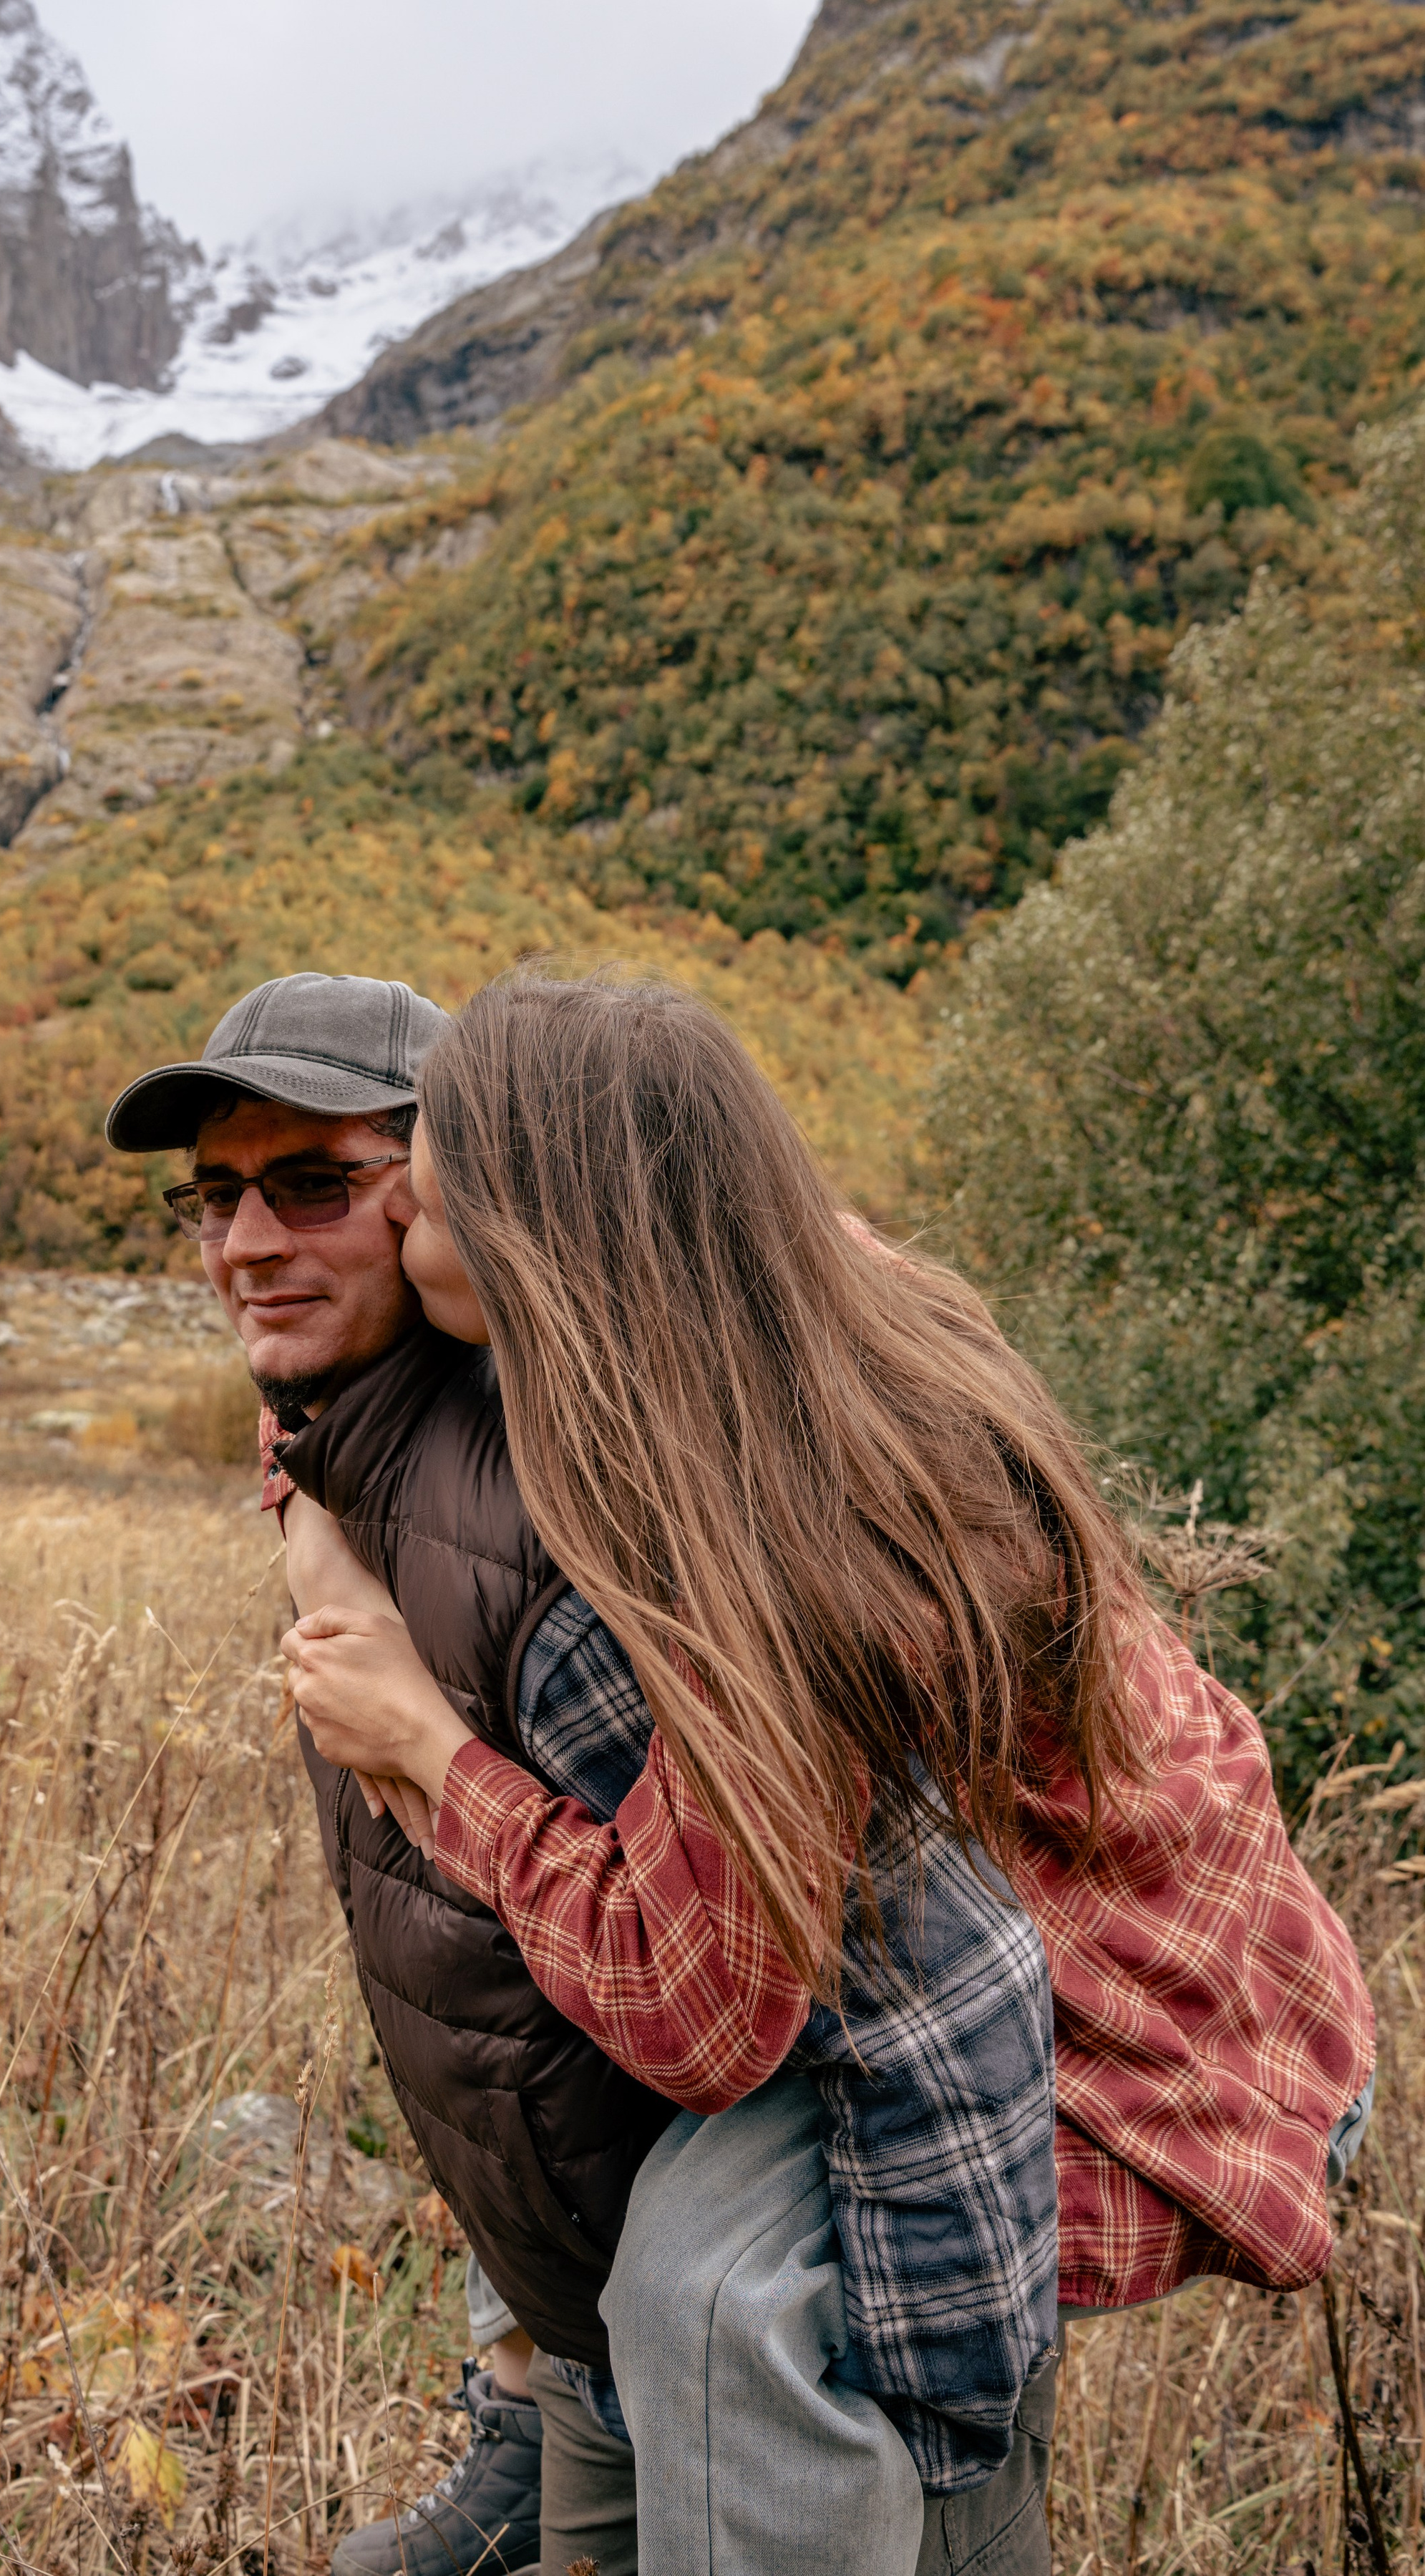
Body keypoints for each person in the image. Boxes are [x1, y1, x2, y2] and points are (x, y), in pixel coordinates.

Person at [281, 968, 1378, 2576]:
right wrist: (307, 1463)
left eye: (423, 1205)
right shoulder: (758, 1285)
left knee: (722, 2293)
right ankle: (566, 2425)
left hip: (1125, 2011)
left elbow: (703, 2012)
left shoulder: (768, 1546)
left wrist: (432, 1762)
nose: (394, 1235)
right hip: (1107, 1898)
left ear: (543, 1245)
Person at [106, 973, 1063, 2576]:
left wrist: (429, 1747)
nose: (245, 1244)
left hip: (814, 2343)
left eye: (315, 1186)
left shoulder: (592, 1538)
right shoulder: (357, 1443)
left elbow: (703, 2002)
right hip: (606, 2329)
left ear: (454, 1198)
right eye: (212, 1198)